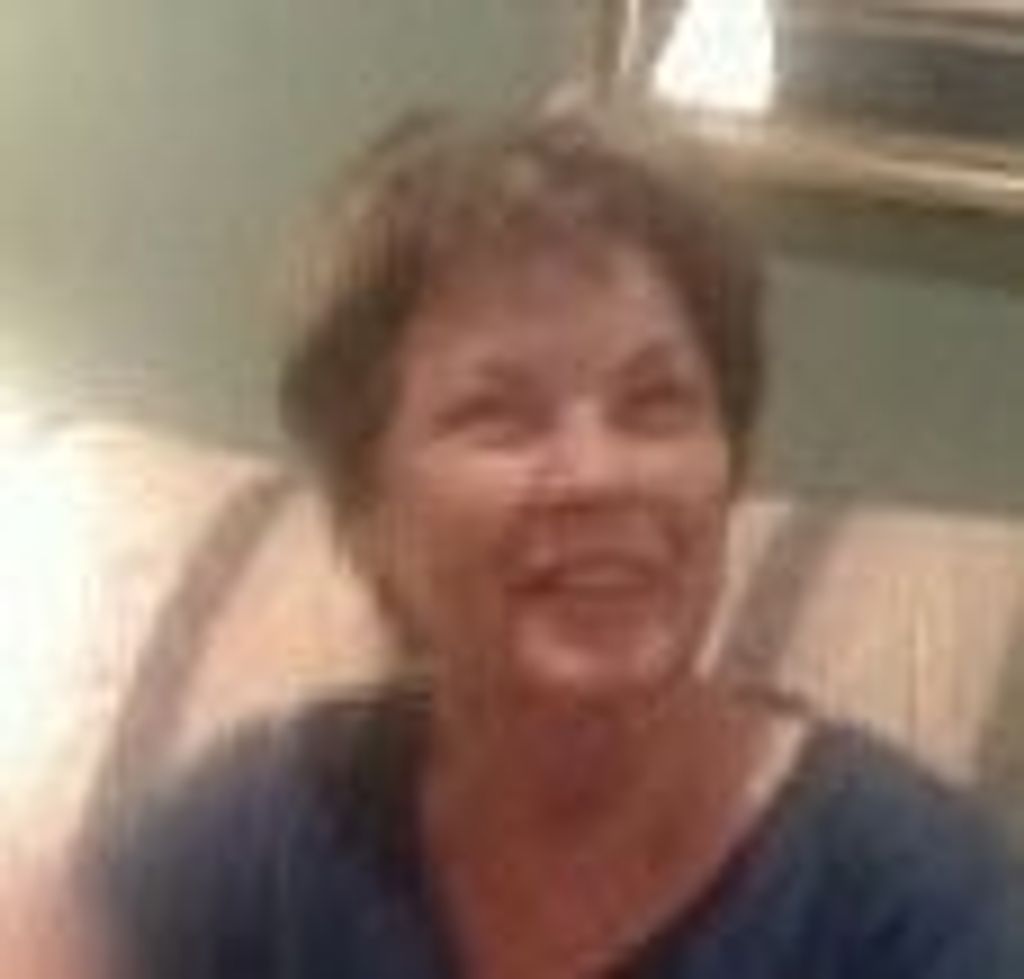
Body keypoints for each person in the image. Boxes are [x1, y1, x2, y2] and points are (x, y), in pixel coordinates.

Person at [77, 105, 1021, 978]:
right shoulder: (274, 828)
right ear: (366, 512)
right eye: (501, 414)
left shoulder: (910, 901)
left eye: (654, 404)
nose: (597, 473)